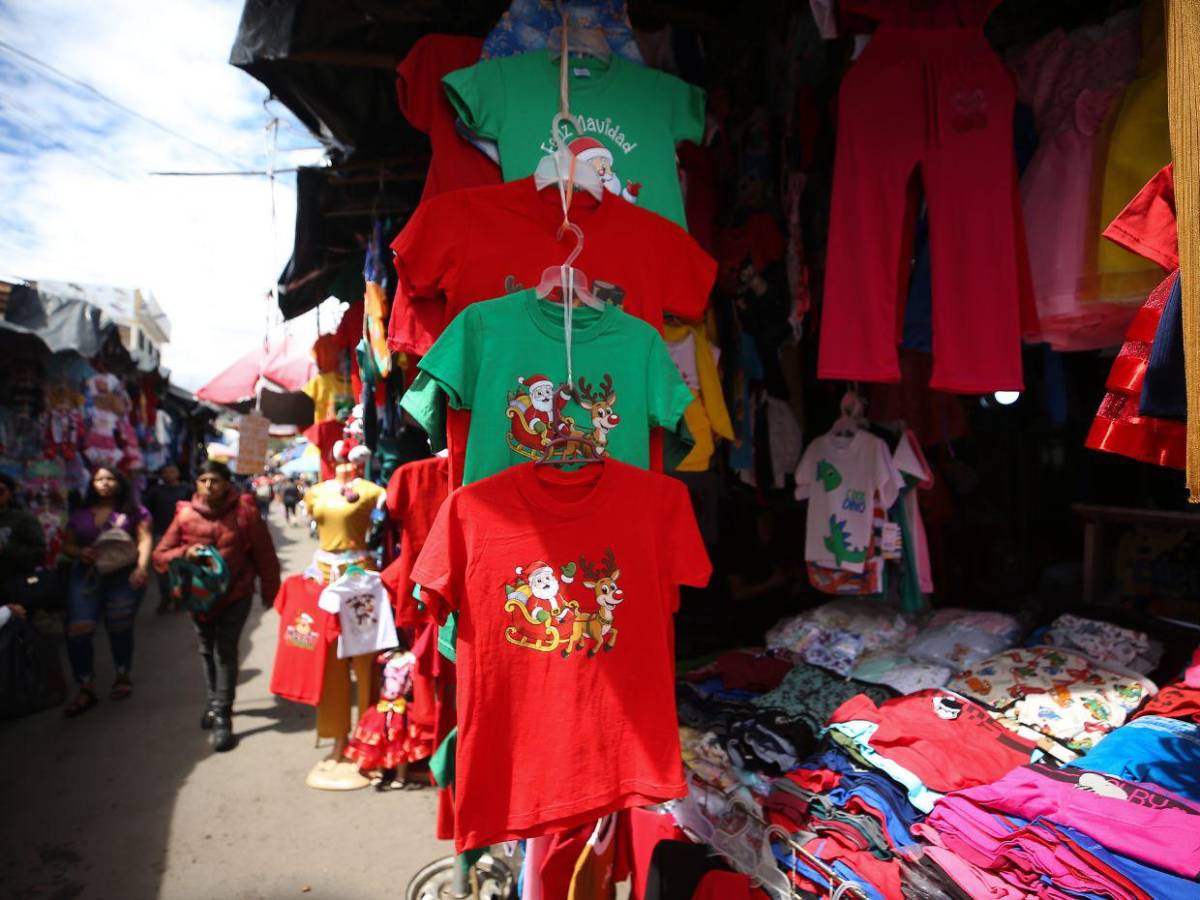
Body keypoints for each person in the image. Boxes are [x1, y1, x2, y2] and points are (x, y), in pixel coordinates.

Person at [153, 460, 281, 752]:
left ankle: (223, 714)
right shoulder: (184, 515)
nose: (209, 486)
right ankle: (214, 700)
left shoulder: (245, 512)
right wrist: (186, 551)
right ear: (196, 483)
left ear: (226, 484)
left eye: (215, 480)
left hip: (237, 593)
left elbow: (265, 554)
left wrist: (270, 592)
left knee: (225, 651)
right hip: (199, 598)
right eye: (203, 480)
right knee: (205, 648)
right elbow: (160, 556)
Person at [60, 467, 153, 717]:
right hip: (87, 575)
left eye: (110, 479)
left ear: (120, 483)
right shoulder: (79, 514)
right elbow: (66, 544)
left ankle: (122, 674)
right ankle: (85, 685)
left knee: (119, 626)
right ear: (91, 484)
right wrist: (80, 553)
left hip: (123, 575)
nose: (104, 483)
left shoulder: (134, 511)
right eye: (99, 479)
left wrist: (142, 568)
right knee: (78, 629)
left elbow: (144, 539)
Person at [143, 463, 193, 613]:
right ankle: (166, 596)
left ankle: (182, 597)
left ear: (178, 473)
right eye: (166, 472)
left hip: (185, 535)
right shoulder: (155, 491)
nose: (169, 474)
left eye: (172, 470)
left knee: (185, 567)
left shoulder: (187, 489)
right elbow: (147, 513)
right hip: (162, 534)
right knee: (162, 568)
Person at [0, 472, 47, 629]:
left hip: (17, 588)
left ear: (10, 494)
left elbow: (40, 553)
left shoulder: (22, 519)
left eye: (1, 490)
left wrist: (6, 549)